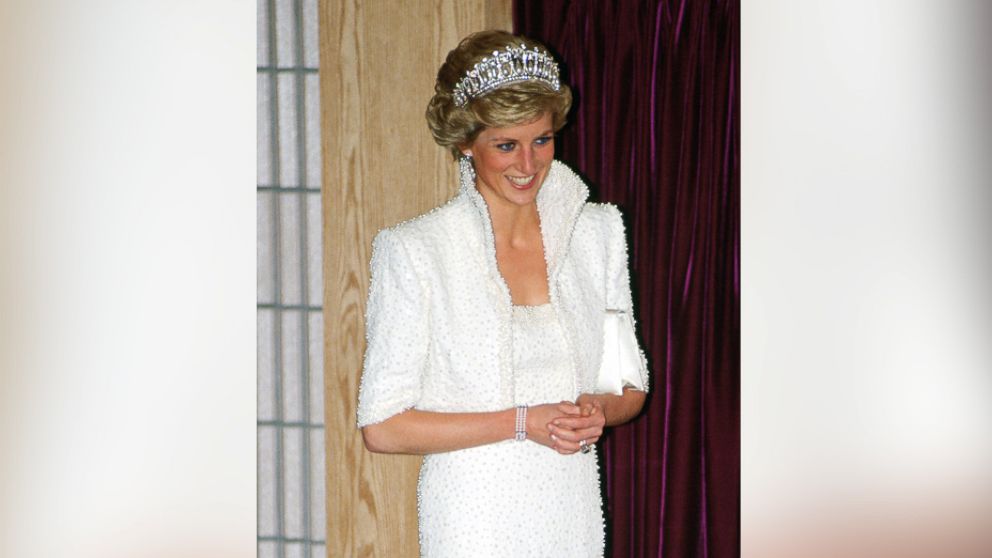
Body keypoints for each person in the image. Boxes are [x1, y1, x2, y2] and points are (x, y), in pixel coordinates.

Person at [356, 30, 649, 557]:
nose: (528, 165)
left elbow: (629, 384)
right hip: (472, 515)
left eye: (541, 139)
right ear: (467, 143)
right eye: (506, 145)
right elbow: (382, 427)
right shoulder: (415, 250)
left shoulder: (597, 232)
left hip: (569, 506)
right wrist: (521, 423)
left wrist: (594, 410)